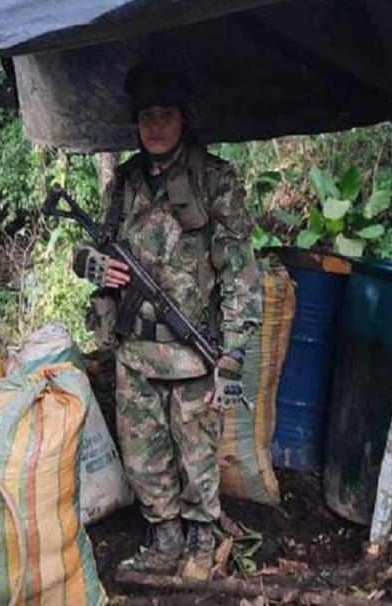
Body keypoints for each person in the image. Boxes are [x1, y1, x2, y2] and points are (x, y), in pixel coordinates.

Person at [78, 64, 262, 580]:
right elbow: (95, 246)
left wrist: (233, 355)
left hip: (194, 353)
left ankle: (201, 544)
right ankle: (164, 540)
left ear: (184, 118)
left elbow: (241, 273)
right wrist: (90, 264)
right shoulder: (126, 184)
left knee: (197, 457)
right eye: (146, 116)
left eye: (165, 115)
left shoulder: (214, 180)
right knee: (144, 458)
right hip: (135, 354)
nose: (155, 126)